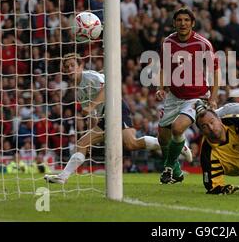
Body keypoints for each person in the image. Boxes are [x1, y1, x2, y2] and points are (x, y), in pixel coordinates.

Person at [45, 53, 192, 184]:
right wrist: (93, 120)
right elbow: (94, 111)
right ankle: (63, 177)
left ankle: (177, 147)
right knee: (84, 144)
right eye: (67, 67)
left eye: (73, 65)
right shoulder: (78, 92)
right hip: (105, 115)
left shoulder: (90, 76)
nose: (70, 69)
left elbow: (109, 87)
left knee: (131, 143)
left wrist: (91, 106)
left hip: (116, 107)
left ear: (80, 66)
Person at [156, 7, 219, 184]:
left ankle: (167, 169)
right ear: (174, 23)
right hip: (174, 95)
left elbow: (215, 71)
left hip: (196, 96)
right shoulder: (168, 42)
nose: (182, 23)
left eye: (186, 20)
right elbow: (163, 68)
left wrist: (213, 97)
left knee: (177, 128)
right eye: (179, 20)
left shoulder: (202, 44)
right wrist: (160, 88)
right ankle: (176, 170)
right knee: (163, 138)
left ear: (192, 23)